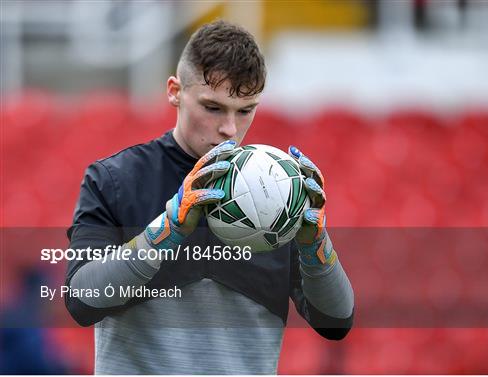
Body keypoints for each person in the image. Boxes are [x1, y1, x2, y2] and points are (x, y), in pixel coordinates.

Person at [65, 20, 354, 374]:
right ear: (174, 91)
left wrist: (316, 247)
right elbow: (81, 302)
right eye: (213, 108)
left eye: (245, 110)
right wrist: (166, 232)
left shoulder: (279, 192)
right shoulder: (115, 178)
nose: (230, 129)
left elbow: (336, 322)